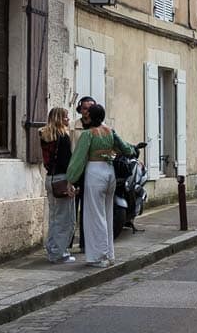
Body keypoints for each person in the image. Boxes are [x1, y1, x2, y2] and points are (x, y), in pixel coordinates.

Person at [66, 103, 134, 268]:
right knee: (107, 213)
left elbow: (78, 159)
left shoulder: (88, 134)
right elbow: (126, 149)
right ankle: (109, 254)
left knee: (94, 216)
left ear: (89, 117)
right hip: (109, 172)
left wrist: (71, 179)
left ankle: (98, 256)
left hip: (95, 172)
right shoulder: (110, 131)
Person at [39, 107, 77, 264]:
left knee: (54, 217)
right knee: (65, 218)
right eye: (66, 116)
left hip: (50, 178)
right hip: (62, 179)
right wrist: (71, 181)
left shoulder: (45, 135)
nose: (68, 119)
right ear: (59, 118)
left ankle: (52, 249)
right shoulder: (63, 136)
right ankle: (59, 253)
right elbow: (66, 161)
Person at [72, 96, 96, 252]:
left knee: (88, 211)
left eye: (90, 108)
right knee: (71, 210)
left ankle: (85, 244)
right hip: (76, 172)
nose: (87, 111)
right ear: (80, 109)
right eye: (85, 108)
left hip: (93, 172)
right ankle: (67, 243)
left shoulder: (99, 127)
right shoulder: (73, 127)